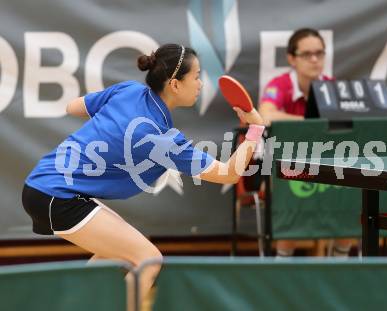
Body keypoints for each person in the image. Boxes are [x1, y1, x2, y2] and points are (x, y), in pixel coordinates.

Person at [22, 44, 265, 302]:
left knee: (118, 253)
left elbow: (72, 107)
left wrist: (109, 128)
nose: (200, 84)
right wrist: (256, 128)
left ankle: (71, 305)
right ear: (174, 84)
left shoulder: (129, 90)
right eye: (196, 76)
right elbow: (229, 173)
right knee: (148, 259)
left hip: (43, 184)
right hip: (58, 195)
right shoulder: (162, 139)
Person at [259, 28, 352, 257]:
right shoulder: (279, 85)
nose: (314, 59)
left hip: (326, 164)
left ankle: (340, 262)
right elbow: (266, 115)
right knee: (292, 194)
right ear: (291, 58)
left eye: (319, 53)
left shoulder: (332, 86)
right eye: (307, 54)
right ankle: (283, 261)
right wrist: (311, 123)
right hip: (284, 165)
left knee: (355, 191)